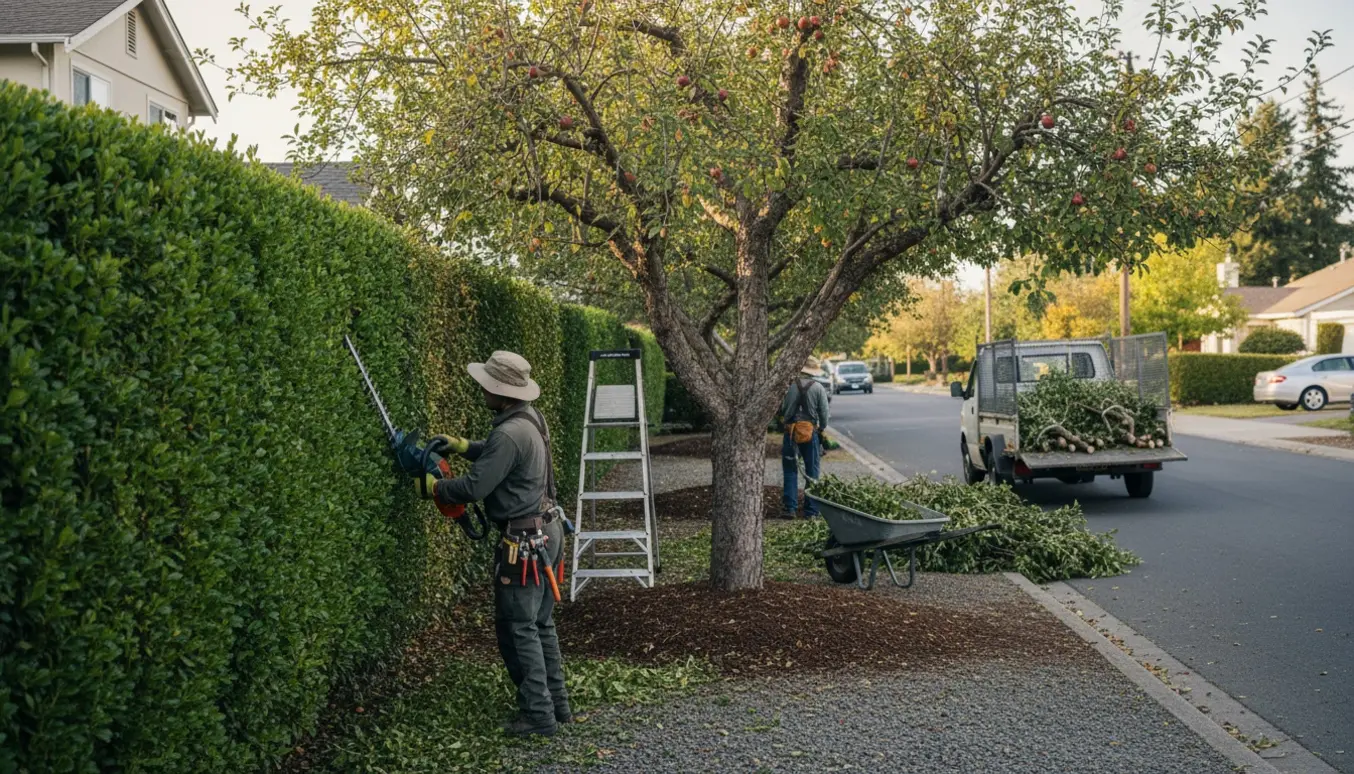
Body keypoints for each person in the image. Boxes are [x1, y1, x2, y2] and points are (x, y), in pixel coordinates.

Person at [415, 350, 570, 738]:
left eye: (486, 384)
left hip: (525, 541)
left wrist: (435, 487)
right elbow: (501, 454)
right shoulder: (529, 419)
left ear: (498, 391)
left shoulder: (509, 432)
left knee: (518, 628)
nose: (481, 388)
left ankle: (538, 715)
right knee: (540, 624)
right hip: (550, 528)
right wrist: (464, 446)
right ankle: (558, 705)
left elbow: (474, 487)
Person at [780, 356, 830, 519]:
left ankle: (790, 508)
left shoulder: (789, 386)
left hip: (791, 432)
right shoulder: (818, 388)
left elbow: (784, 409)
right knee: (812, 471)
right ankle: (811, 511)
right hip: (810, 432)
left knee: (790, 470)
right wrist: (821, 428)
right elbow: (824, 414)